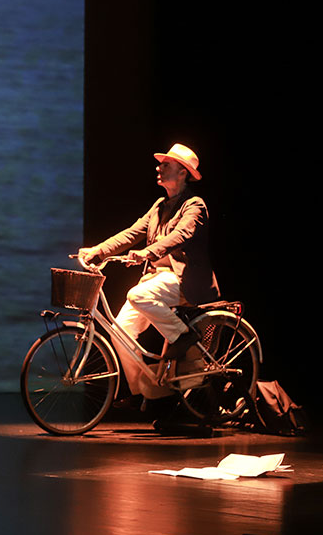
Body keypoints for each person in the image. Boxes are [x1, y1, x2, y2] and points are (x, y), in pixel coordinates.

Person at [78, 144, 219, 399]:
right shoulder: (159, 206)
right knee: (120, 329)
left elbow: (181, 235)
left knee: (136, 294)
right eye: (161, 164)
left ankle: (182, 336)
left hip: (184, 280)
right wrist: (98, 250)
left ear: (183, 173)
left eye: (166, 165)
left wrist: (147, 252)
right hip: (159, 279)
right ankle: (146, 389)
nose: (159, 167)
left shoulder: (194, 205)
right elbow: (132, 233)